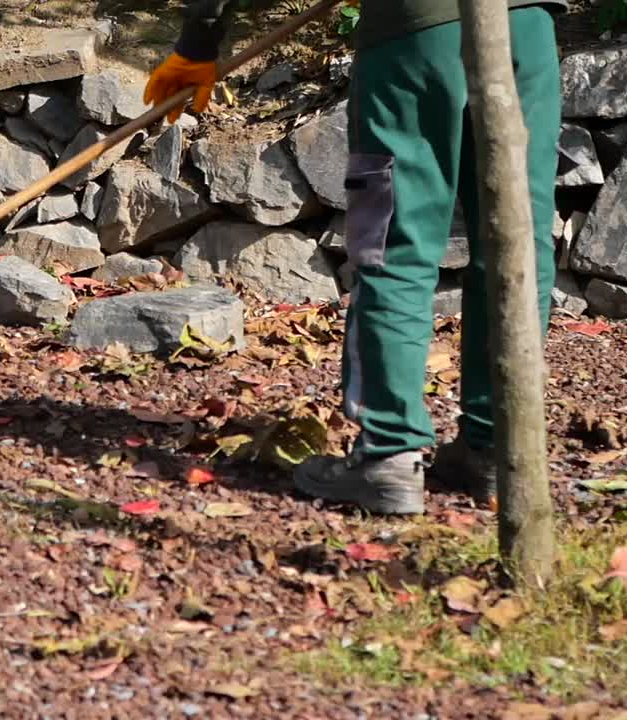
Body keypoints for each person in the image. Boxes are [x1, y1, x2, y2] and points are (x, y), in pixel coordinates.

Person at [143, 0, 569, 515]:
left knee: (394, 242)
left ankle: (388, 457)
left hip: (415, 35)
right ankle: (497, 450)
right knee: (515, 239)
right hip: (526, 25)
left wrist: (199, 38)